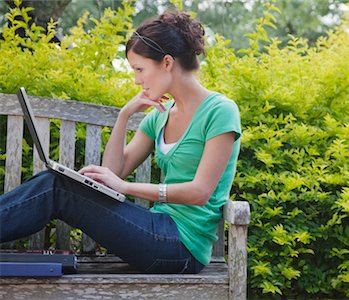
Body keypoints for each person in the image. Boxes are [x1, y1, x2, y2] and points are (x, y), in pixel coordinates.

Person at [0, 10, 241, 274]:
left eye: (140, 69)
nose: (137, 80)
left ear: (167, 63)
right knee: (53, 181)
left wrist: (125, 187)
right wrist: (124, 116)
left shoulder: (220, 111)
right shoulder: (159, 117)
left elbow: (200, 192)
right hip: (156, 229)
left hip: (181, 246)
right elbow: (114, 173)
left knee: (58, 189)